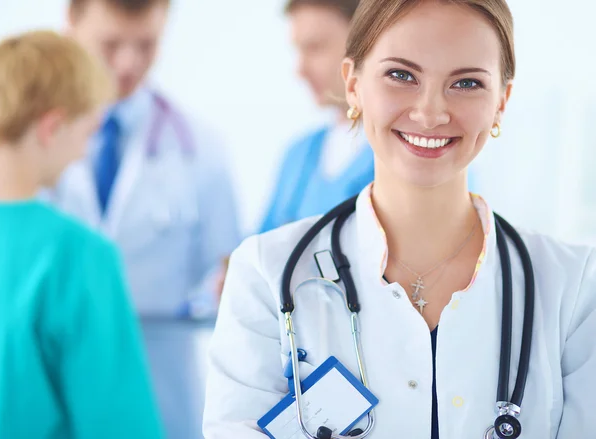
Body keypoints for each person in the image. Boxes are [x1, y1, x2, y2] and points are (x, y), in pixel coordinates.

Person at [203, 0, 596, 438]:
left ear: (501, 101)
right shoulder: (265, 274)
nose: (430, 113)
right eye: (401, 75)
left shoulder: (575, 287)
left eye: (466, 82)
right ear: (353, 85)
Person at [49, 0, 241, 437]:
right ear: (71, 24)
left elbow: (231, 282)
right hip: (54, 383)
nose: (128, 62)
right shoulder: (20, 142)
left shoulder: (203, 148)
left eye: (147, 45)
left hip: (160, 388)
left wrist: (221, 290)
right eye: (111, 43)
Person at [0, 30, 163, 439]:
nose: (84, 153)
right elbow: (120, 427)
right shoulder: (77, 254)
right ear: (52, 127)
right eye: (86, 133)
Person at [259, 0, 374, 233]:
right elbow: (253, 258)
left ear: (368, 42)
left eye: (315, 47)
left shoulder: (407, 152)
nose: (300, 70)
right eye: (299, 50)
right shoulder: (298, 156)